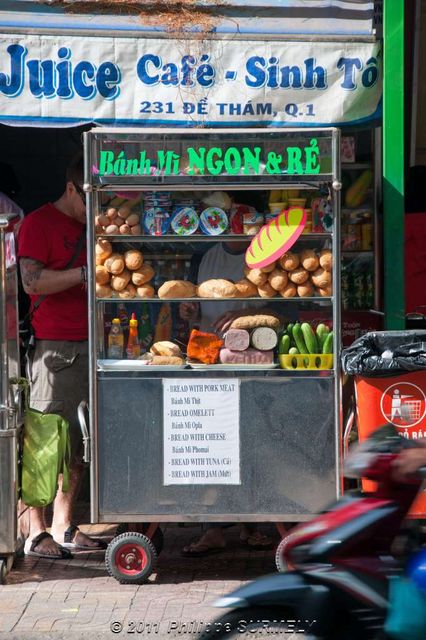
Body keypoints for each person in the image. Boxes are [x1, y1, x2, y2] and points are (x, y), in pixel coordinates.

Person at [18, 154, 106, 559]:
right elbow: (31, 281)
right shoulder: (39, 223)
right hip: (56, 349)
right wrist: (83, 275)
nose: (96, 209)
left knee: (81, 443)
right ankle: (35, 532)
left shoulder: (97, 225)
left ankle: (65, 525)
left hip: (97, 344)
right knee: (44, 440)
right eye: (90, 199)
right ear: (72, 189)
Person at [180, 240, 287, 557]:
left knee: (249, 444)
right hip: (211, 359)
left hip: (253, 362)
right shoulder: (206, 254)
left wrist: (249, 312)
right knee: (213, 447)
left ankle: (250, 525)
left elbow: (283, 307)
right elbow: (198, 309)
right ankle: (212, 529)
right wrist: (190, 311)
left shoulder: (267, 256)